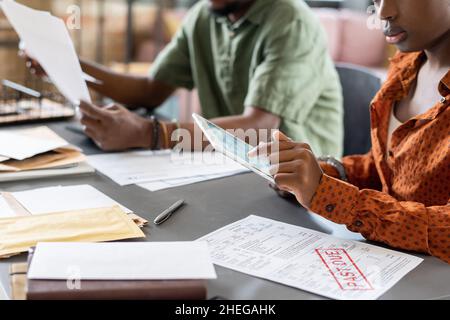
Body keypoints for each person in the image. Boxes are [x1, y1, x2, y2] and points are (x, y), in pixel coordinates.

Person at [249, 0, 450, 264]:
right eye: (376, 0)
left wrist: (335, 198)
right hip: (386, 264)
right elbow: (392, 171)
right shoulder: (407, 64)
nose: (383, 13)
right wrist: (322, 175)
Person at [23, 0, 343, 155]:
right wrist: (69, 64)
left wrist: (148, 134)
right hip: (232, 164)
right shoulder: (205, 16)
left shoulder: (290, 21)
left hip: (299, 182)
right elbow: (150, 91)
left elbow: (260, 127)